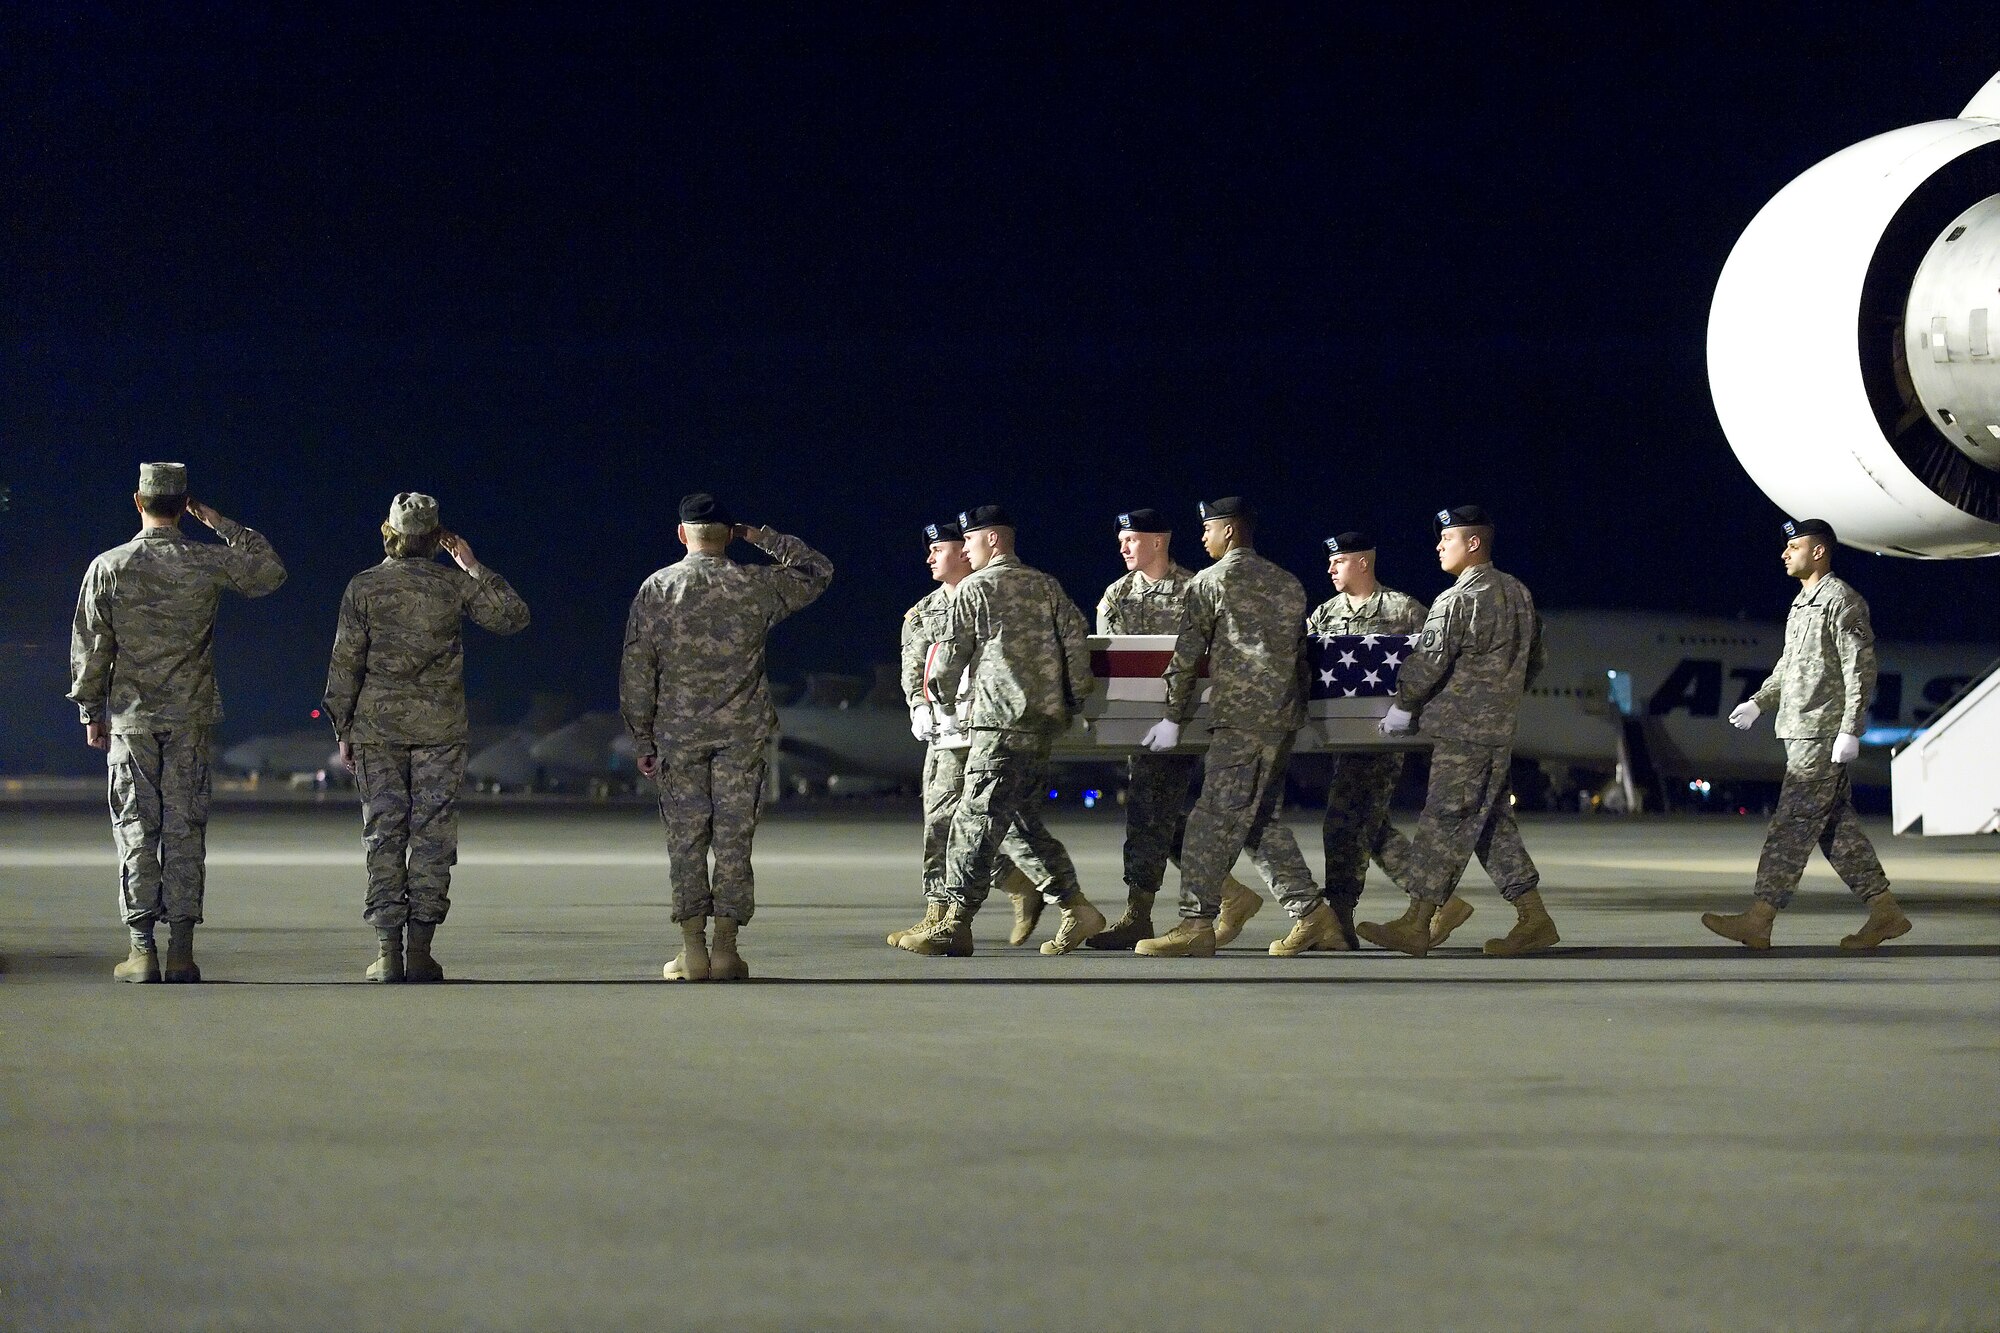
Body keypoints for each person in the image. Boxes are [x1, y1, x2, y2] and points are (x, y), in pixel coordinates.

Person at [67, 462, 286, 982]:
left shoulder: (110, 566)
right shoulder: (206, 562)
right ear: (184, 504)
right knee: (184, 829)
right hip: (189, 716)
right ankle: (182, 952)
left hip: (131, 720)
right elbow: (270, 570)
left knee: (137, 829)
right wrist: (220, 524)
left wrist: (90, 712)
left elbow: (91, 648)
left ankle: (141, 950)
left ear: (138, 501)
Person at [619, 493, 833, 981]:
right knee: (735, 841)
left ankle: (692, 951)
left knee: (686, 840)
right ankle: (726, 950)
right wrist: (763, 537)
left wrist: (642, 738)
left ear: (681, 534)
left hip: (678, 735)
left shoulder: (657, 588)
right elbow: (817, 570)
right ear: (727, 534)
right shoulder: (753, 584)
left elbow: (636, 670)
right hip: (742, 732)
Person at [324, 492, 530, 982]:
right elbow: (513, 616)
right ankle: (420, 951)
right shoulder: (452, 584)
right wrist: (473, 565)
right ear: (438, 537)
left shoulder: (365, 586)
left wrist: (343, 726)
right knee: (433, 838)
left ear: (388, 532)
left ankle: (388, 953)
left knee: (384, 835)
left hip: (377, 730)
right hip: (440, 731)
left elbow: (345, 661)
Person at [898, 505, 1104, 957]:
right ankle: (1074, 907)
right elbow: (1076, 642)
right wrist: (1071, 702)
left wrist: (940, 699)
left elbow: (950, 654)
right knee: (1017, 819)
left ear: (991, 540)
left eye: (968, 540)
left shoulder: (977, 587)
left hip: (996, 719)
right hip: (1041, 724)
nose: (965, 550)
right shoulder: (1046, 585)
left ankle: (954, 923)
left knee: (974, 821)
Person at [1134, 497, 1330, 957]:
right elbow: (1301, 658)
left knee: (1208, 821)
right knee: (1258, 820)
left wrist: (1171, 717)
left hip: (1240, 722)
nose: (1202, 538)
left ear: (1229, 531)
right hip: (1280, 721)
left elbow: (1186, 657)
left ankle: (1195, 923)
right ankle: (1313, 915)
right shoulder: (1288, 583)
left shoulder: (1211, 582)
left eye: (1208, 529)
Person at [1356, 506, 1554, 957]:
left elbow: (1427, 663)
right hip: (1498, 730)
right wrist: (1501, 696)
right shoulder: (1519, 593)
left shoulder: (1456, 600)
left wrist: (1404, 706)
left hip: (1463, 733)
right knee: (1491, 826)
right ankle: (1534, 918)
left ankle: (1417, 922)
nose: (1439, 546)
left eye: (1448, 538)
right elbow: (1536, 659)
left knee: (1442, 821)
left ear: (1474, 543)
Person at [1702, 518, 1909, 950]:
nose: (1785, 553)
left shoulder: (1842, 602)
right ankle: (1885, 912)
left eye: (1793, 545)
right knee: (1836, 830)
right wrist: (1759, 701)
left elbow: (1859, 671)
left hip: (1820, 734)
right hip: (1799, 730)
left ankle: (1759, 919)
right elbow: (1789, 667)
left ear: (1818, 551)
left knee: (1791, 826)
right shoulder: (1802, 605)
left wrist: (1850, 729)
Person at [1087, 508, 1258, 950]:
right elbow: (1111, 667)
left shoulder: (1195, 588)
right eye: (1121, 539)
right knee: (1157, 815)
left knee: (1149, 812)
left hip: (1189, 722)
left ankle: (1139, 915)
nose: (1123, 547)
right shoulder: (1116, 596)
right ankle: (1229, 893)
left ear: (1158, 541)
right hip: (1139, 728)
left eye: (1132, 539)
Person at [1306, 530, 1438, 950]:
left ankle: (1340, 921)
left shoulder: (1404, 610)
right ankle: (1437, 900)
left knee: (1344, 825)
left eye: (1339, 562)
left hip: (1383, 740)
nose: (1329, 569)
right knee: (1368, 827)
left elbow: (1433, 658)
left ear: (1363, 563)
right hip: (1342, 742)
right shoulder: (1324, 615)